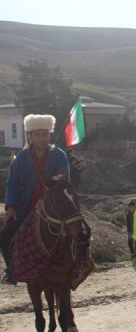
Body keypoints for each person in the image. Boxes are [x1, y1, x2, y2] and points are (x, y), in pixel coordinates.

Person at [0, 114, 70, 285]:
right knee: (6, 236)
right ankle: (12, 271)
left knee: (77, 234)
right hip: (27, 207)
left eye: (45, 134)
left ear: (50, 135)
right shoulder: (21, 159)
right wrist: (10, 206)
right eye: (37, 135)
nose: (42, 138)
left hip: (52, 208)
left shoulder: (59, 155)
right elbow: (13, 183)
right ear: (29, 137)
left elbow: (65, 180)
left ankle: (77, 266)